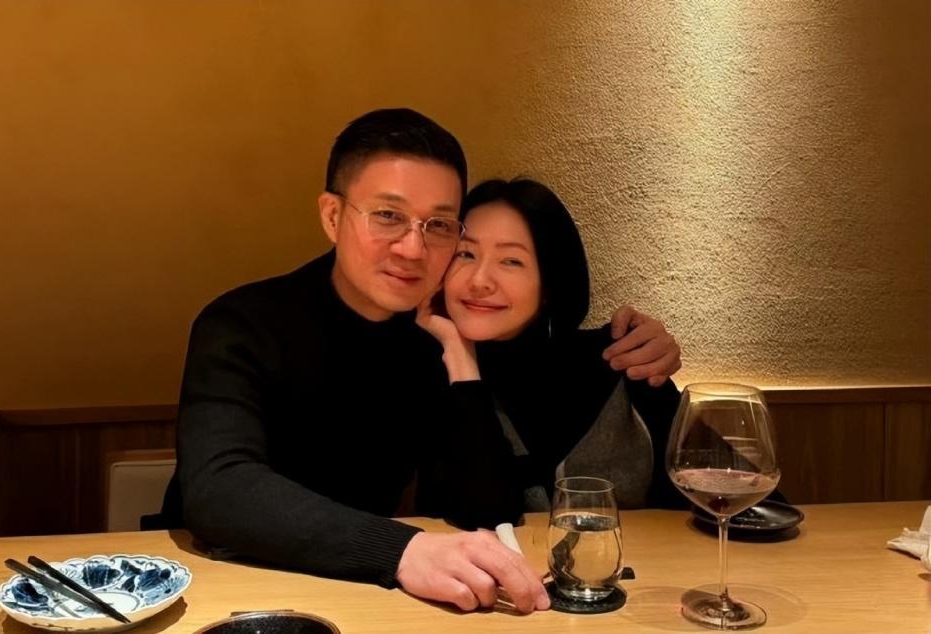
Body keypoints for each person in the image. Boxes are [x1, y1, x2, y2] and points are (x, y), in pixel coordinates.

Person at [161, 109, 681, 613]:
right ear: (333, 216)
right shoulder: (242, 324)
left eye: (438, 225)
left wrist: (459, 359)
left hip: (362, 594)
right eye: (388, 215)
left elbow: (486, 504)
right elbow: (219, 489)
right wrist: (403, 551)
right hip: (222, 580)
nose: (413, 248)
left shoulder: (433, 337)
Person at [416, 178, 684, 524]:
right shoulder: (430, 375)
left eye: (511, 261)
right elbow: (486, 516)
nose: (479, 280)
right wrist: (460, 357)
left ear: (550, 284)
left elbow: (737, 503)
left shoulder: (625, 359)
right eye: (465, 254)